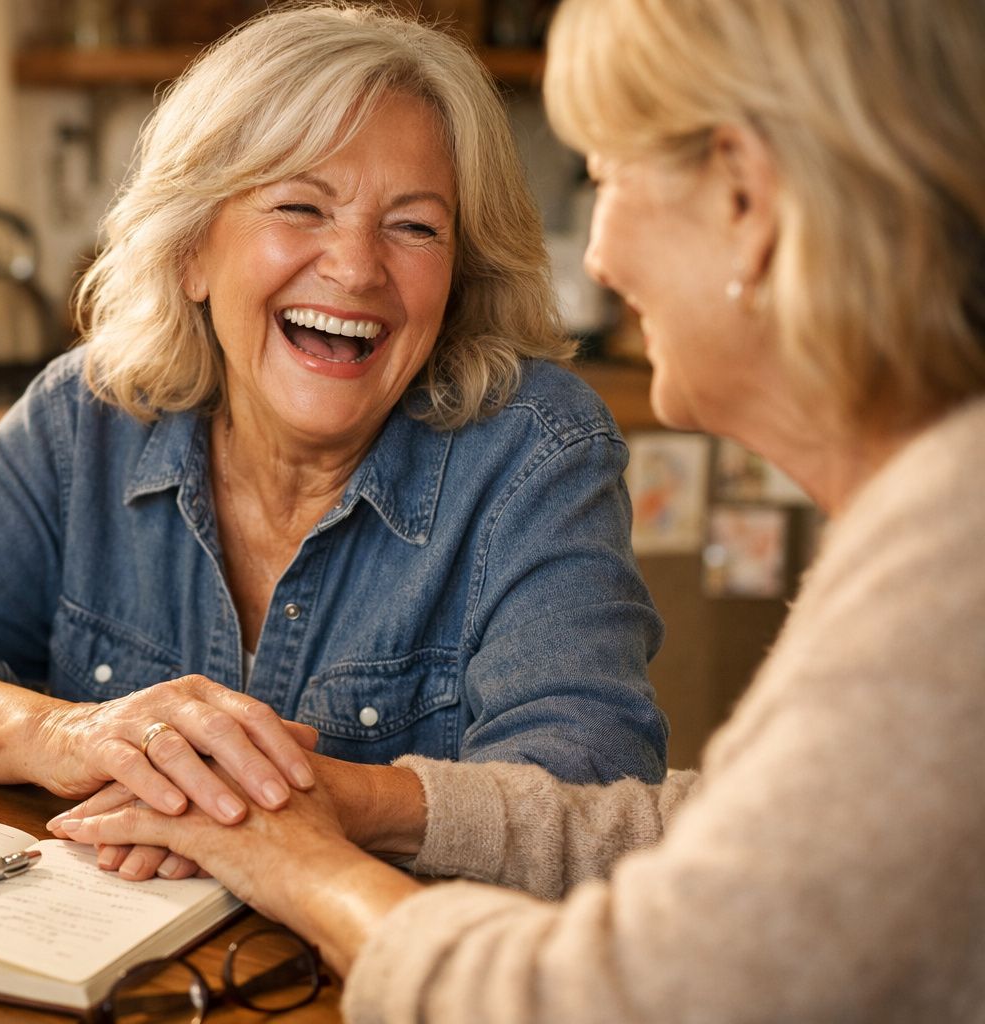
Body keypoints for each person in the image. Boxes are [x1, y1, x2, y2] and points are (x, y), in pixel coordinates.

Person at [55, 0, 985, 1018]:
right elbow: (712, 828)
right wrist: (336, 803)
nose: (600, 258)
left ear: (744, 198)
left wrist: (297, 862)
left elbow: (598, 1000)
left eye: (609, 178)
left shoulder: (950, 566)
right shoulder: (933, 517)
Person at [0, 2, 670, 881]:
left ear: (459, 277)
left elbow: (592, 794)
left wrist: (298, 800)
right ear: (192, 253)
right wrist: (63, 733)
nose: (356, 267)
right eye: (300, 206)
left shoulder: (535, 452)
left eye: (415, 226)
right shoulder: (90, 417)